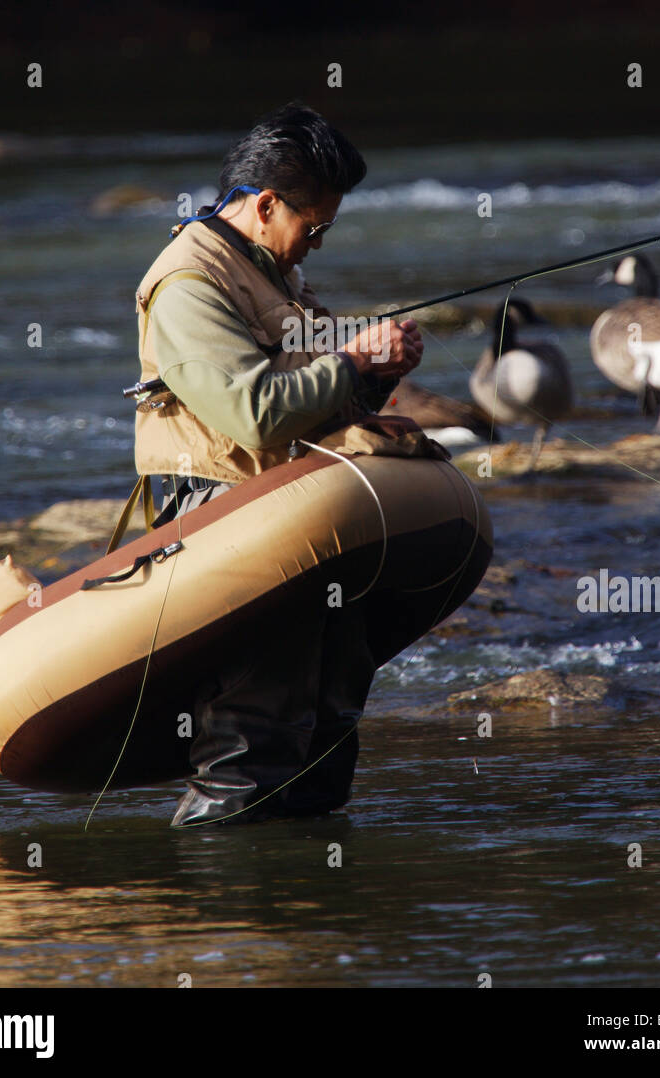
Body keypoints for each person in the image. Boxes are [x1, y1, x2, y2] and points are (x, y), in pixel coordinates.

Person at [132, 103, 424, 825]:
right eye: (314, 227)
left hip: (303, 507)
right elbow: (255, 413)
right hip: (231, 521)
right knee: (253, 725)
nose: (317, 246)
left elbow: (315, 396)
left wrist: (376, 373)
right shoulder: (189, 284)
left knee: (330, 716)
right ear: (266, 205)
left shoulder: (270, 270)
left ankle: (308, 900)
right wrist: (354, 359)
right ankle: (221, 902)